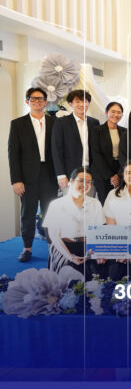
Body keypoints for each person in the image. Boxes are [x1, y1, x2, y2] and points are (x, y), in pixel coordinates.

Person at [9, 87, 59, 262]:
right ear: (27, 101)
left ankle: (54, 248)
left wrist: (61, 175)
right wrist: (16, 180)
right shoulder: (18, 124)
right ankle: (27, 248)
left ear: (45, 102)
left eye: (40, 99)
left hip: (50, 175)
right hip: (27, 177)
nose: (37, 101)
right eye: (33, 99)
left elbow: (59, 150)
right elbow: (13, 154)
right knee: (27, 214)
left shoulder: (55, 122)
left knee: (51, 213)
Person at [43, 167, 105, 279]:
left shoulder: (95, 203)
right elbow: (54, 236)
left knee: (97, 278)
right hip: (64, 247)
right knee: (69, 277)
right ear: (71, 181)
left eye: (88, 182)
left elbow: (99, 231)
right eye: (81, 180)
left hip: (88, 247)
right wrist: (70, 257)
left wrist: (98, 253)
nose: (85, 185)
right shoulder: (56, 204)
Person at [51, 89, 100, 192]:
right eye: (77, 101)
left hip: (90, 172)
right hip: (70, 173)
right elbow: (56, 150)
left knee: (89, 201)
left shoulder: (94, 123)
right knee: (70, 202)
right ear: (70, 104)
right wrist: (60, 174)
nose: (81, 104)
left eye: (85, 101)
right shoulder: (61, 123)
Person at [90, 101, 126, 204]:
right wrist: (111, 176)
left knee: (120, 203)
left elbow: (126, 154)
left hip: (120, 170)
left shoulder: (125, 131)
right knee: (105, 203)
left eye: (119, 112)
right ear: (106, 113)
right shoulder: (97, 130)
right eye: (113, 112)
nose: (116, 115)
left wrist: (119, 174)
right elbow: (96, 154)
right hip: (102, 172)